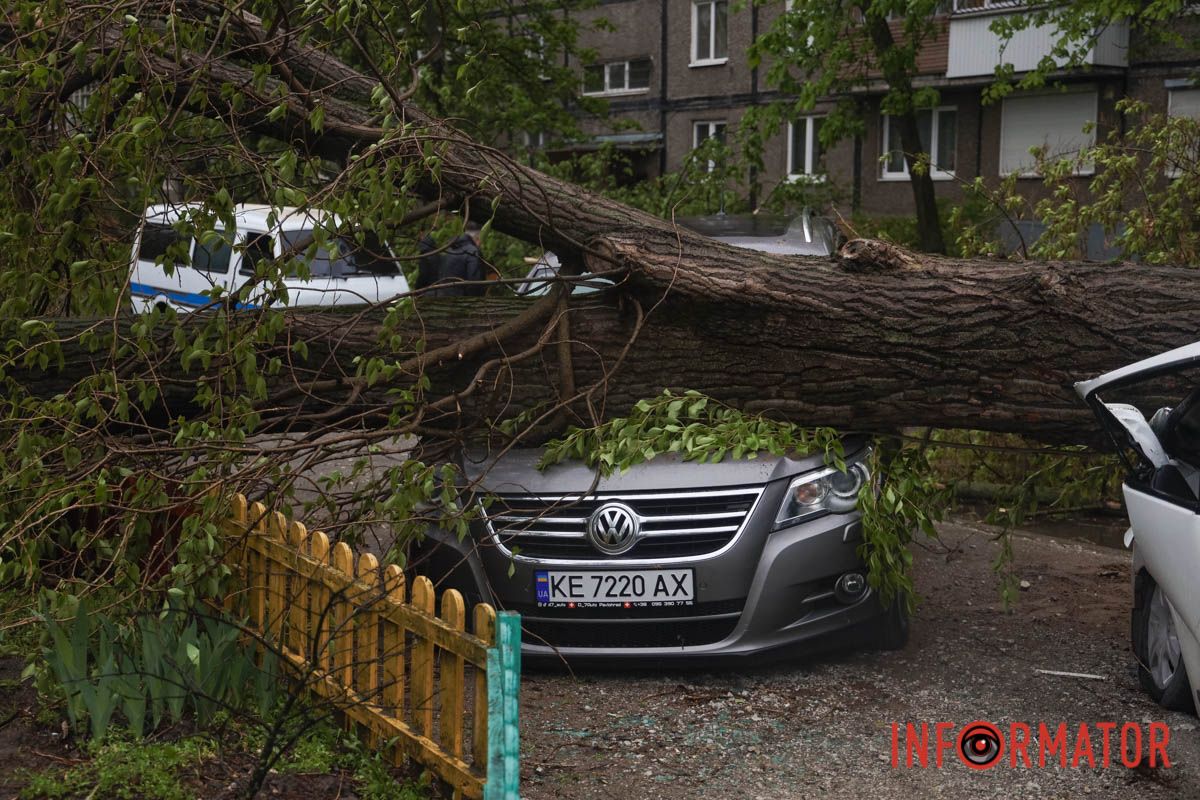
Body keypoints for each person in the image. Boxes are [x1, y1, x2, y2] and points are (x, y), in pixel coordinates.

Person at [415, 222, 488, 297]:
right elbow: (475, 283)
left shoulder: (448, 250)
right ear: (479, 237)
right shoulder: (473, 252)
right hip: (463, 301)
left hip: (443, 298)